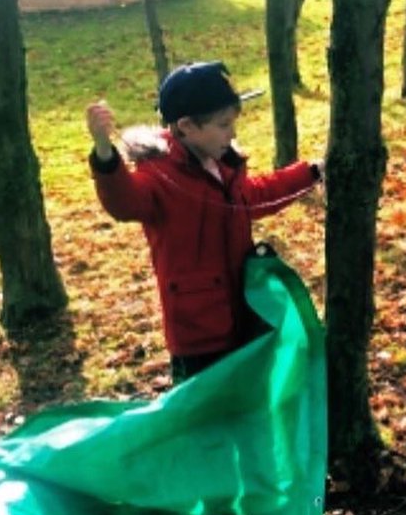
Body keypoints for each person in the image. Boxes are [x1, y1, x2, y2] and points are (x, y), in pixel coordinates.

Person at [86, 61, 323, 384]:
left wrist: (311, 172)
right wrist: (104, 152)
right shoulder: (158, 175)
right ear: (186, 126)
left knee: (243, 406)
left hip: (245, 312)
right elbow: (123, 202)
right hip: (199, 334)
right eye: (224, 124)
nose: (233, 133)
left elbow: (255, 195)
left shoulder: (222, 165)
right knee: (204, 422)